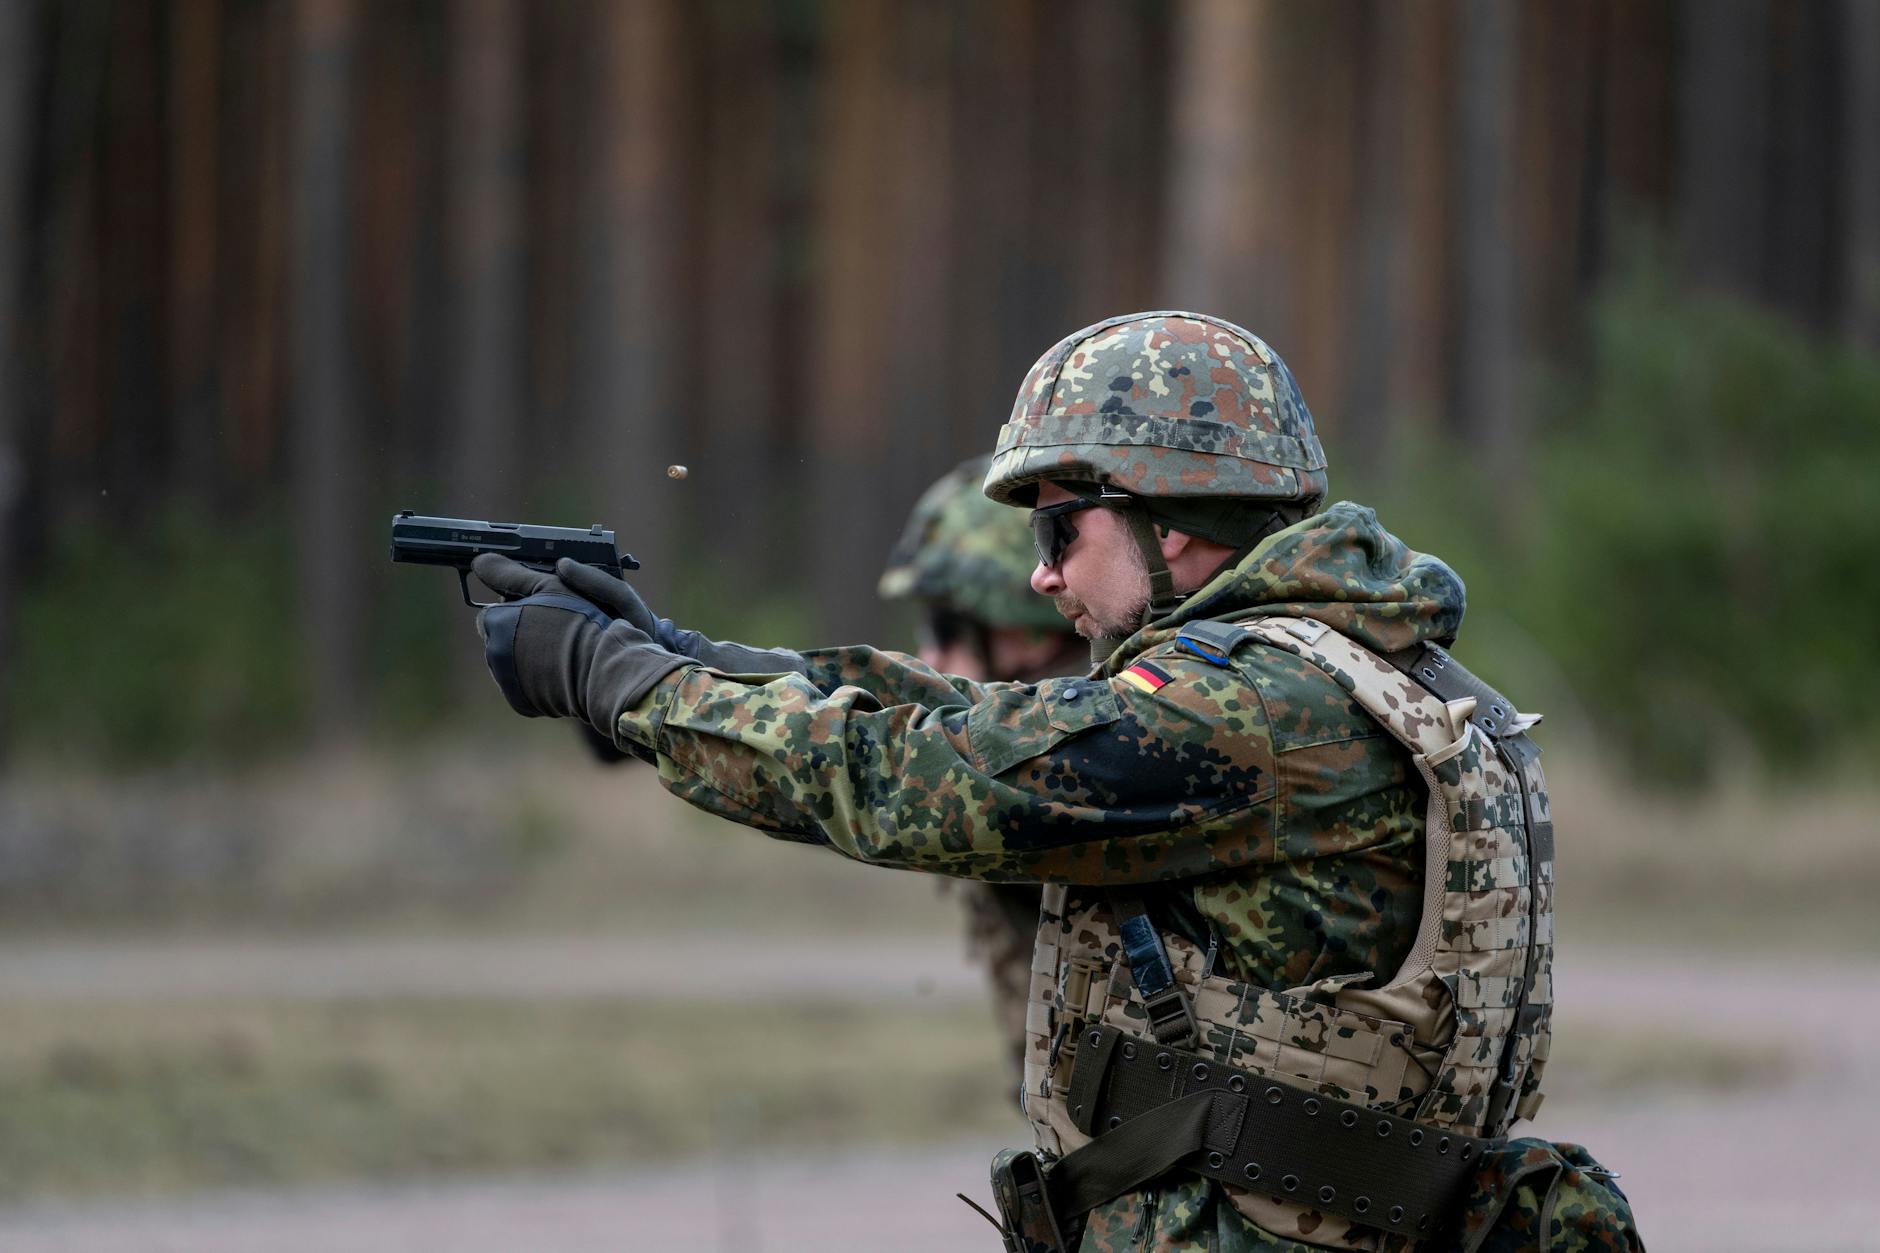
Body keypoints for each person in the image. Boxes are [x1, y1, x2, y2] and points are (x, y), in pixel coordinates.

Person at [465, 312, 1636, 1251]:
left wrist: (620, 683)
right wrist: (693, 656)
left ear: (1171, 526)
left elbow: (916, 779)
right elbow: (981, 722)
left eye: (1060, 528)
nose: (1036, 576)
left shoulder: (1252, 709)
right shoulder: (1336, 675)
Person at [879, 455, 1085, 1079]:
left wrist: (658, 698)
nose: (928, 654)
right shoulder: (1022, 723)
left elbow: (876, 783)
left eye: (945, 628)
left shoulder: (1066, 756)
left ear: (1025, 635)